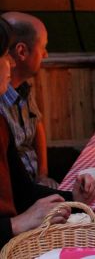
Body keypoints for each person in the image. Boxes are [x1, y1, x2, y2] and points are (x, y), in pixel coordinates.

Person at [0, 17, 95, 247]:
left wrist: (73, 199)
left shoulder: (1, 125)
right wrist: (15, 224)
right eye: (5, 56)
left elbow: (22, 190)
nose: (12, 63)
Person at [0, 12, 57, 189]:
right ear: (22, 51)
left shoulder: (24, 87)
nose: (46, 55)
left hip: (32, 185)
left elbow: (37, 125)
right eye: (43, 48)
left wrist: (43, 174)